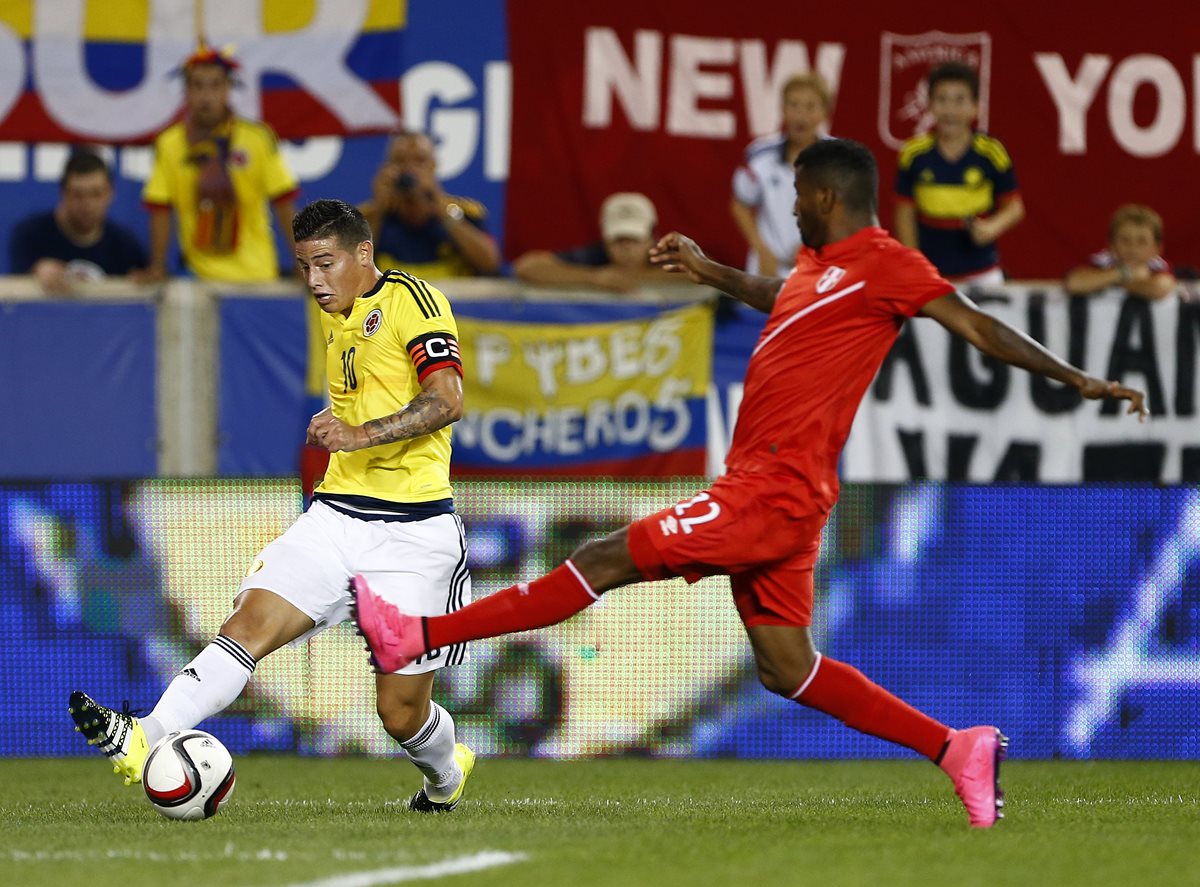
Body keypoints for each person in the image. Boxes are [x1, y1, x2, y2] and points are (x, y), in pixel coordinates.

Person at [349, 139, 1147, 828]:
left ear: (827, 197)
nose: (792, 209)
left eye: (799, 196)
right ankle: (956, 747)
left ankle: (419, 635)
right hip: (780, 492)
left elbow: (974, 322)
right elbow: (787, 299)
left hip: (770, 490)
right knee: (787, 668)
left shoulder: (888, 264)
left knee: (600, 557)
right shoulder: (819, 269)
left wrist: (1077, 378)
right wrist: (710, 270)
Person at [70, 199, 476, 813]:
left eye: (326, 263)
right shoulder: (338, 312)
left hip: (414, 533)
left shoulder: (413, 300)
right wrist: (342, 420)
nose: (314, 280)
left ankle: (446, 774)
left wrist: (359, 433)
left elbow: (447, 400)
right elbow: (375, 389)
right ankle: (146, 734)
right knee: (248, 624)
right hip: (336, 517)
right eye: (305, 266)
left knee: (399, 713)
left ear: (364, 254)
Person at [141, 45, 299, 283]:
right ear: (186, 91)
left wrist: (303, 263)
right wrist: (157, 266)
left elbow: (284, 204)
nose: (206, 96)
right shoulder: (169, 144)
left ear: (227, 89)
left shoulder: (257, 139)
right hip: (199, 278)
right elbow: (160, 209)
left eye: (215, 85)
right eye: (198, 86)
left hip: (256, 275)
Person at [894, 62, 1024, 286]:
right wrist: (914, 265)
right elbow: (904, 213)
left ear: (976, 107)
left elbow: (1014, 207)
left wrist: (991, 228)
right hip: (930, 273)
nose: (950, 110)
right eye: (942, 99)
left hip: (983, 272)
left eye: (959, 100)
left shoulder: (991, 153)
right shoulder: (912, 154)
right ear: (929, 105)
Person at [358, 130, 500, 279]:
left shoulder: (463, 212)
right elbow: (352, 268)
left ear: (433, 165)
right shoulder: (367, 218)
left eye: (419, 161)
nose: (410, 169)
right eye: (400, 161)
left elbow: (491, 264)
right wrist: (379, 208)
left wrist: (442, 207)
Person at [730, 72, 831, 276]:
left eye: (810, 106)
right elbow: (739, 205)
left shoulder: (839, 158)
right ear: (782, 110)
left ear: (824, 112)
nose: (801, 115)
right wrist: (761, 250)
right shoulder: (759, 154)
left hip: (821, 271)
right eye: (793, 105)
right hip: (767, 272)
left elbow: (850, 213)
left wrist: (816, 244)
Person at [9, 148, 147, 291]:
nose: (87, 204)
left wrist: (142, 280)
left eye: (96, 194)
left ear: (110, 193)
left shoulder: (126, 246)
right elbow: (13, 293)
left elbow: (151, 288)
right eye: (78, 194)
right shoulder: (30, 236)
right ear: (63, 193)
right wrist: (33, 271)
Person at [512, 192, 671, 293]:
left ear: (652, 237)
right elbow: (527, 267)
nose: (627, 248)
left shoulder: (667, 255)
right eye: (618, 240)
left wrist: (637, 276)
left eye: (635, 239)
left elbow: (688, 270)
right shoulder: (594, 256)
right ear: (605, 239)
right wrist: (593, 277)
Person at [1063, 204, 1178, 300]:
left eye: (1142, 241)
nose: (1132, 247)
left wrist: (1107, 281)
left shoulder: (1159, 266)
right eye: (1124, 240)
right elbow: (1074, 283)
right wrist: (1123, 273)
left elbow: (1159, 288)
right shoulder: (1102, 261)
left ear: (1157, 248)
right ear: (1111, 245)